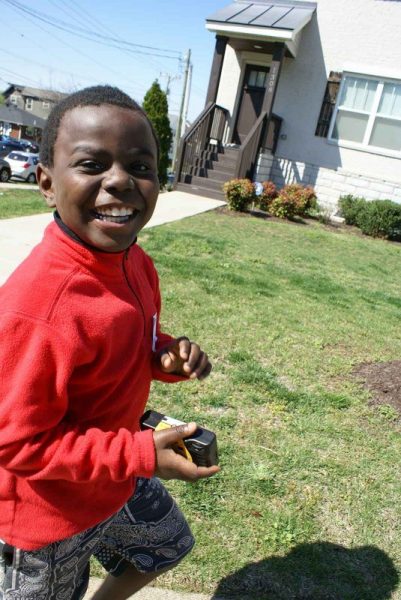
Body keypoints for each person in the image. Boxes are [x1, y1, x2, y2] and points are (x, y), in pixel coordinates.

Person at [0, 85, 219, 600]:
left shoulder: (134, 262)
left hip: (114, 478)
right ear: (47, 184)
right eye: (92, 164)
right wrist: (142, 453)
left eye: (140, 166)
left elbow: (135, 339)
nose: (120, 180)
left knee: (166, 544)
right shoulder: (39, 307)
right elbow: (17, 443)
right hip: (50, 515)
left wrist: (166, 354)